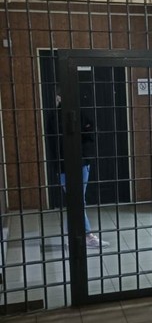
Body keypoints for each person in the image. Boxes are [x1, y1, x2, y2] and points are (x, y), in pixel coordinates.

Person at [46, 89, 109, 248]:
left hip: (77, 163)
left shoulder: (77, 113)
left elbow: (91, 132)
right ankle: (84, 235)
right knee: (77, 200)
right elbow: (56, 143)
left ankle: (76, 235)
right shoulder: (55, 117)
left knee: (75, 200)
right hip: (67, 165)